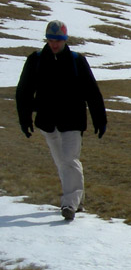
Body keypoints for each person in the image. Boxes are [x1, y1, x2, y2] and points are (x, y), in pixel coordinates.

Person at [16, 20, 107, 221]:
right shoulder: (36, 60)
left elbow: (92, 91)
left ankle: (69, 205)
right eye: (50, 39)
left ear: (65, 40)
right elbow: (24, 90)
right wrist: (25, 118)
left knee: (69, 160)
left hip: (73, 121)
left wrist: (100, 118)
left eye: (57, 40)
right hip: (47, 121)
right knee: (61, 162)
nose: (54, 44)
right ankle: (77, 200)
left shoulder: (77, 61)